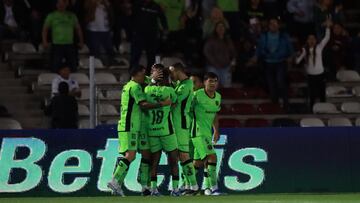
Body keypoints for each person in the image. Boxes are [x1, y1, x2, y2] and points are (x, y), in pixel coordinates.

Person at [107, 66, 171, 196]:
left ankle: (141, 186)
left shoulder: (129, 85)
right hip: (129, 126)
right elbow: (143, 104)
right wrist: (162, 104)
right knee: (131, 155)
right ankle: (114, 180)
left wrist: (152, 79)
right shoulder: (135, 87)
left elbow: (147, 82)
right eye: (142, 74)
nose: (144, 77)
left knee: (141, 153)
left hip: (135, 126)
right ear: (136, 74)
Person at [169, 63, 199, 195]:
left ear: (177, 70)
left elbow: (173, 101)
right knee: (182, 156)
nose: (171, 76)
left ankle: (193, 186)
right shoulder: (180, 85)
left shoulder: (187, 85)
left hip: (181, 124)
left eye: (171, 72)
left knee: (184, 155)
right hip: (177, 124)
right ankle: (188, 184)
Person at [191, 72, 221, 196]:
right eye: (210, 81)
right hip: (198, 132)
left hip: (207, 133)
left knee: (197, 163)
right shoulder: (196, 95)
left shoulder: (218, 97)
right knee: (212, 157)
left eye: (215, 81)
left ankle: (186, 186)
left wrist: (216, 130)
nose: (213, 83)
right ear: (204, 83)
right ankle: (212, 188)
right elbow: (185, 110)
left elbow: (215, 114)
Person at [253, 17, 294, 110]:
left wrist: (291, 57)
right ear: (269, 26)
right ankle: (275, 104)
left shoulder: (284, 36)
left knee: (280, 82)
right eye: (271, 24)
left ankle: (285, 103)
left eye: (275, 23)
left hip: (281, 62)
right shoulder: (264, 36)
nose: (273, 25)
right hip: (268, 63)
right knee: (271, 84)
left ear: (278, 25)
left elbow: (290, 49)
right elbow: (259, 49)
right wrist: (256, 57)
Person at [296, 19, 331, 111]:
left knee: (322, 93)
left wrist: (327, 27)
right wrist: (297, 56)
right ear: (307, 40)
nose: (311, 40)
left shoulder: (319, 47)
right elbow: (297, 61)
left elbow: (327, 38)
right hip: (311, 76)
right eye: (309, 39)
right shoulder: (304, 50)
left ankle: (324, 110)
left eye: (313, 38)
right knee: (312, 94)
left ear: (315, 40)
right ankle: (311, 110)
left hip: (320, 74)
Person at [42, 0, 84, 72]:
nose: (61, 5)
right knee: (55, 67)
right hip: (57, 45)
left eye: (63, 3)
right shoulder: (51, 16)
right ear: (56, 4)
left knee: (73, 67)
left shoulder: (72, 15)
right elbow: (45, 30)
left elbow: (78, 29)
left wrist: (81, 41)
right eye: (59, 3)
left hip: (70, 45)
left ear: (66, 4)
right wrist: (44, 41)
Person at [130, 0, 168, 73]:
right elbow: (131, 16)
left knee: (151, 57)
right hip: (139, 35)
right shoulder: (137, 4)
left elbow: (163, 18)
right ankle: (133, 75)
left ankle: (148, 75)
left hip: (152, 36)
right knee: (135, 56)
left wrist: (165, 29)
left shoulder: (156, 6)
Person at [204, 21, 236, 88]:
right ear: (215, 29)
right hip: (213, 66)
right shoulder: (211, 40)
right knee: (213, 86)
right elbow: (207, 52)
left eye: (222, 27)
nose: (221, 28)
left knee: (227, 87)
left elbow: (233, 53)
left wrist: (233, 63)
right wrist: (215, 63)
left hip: (226, 67)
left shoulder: (228, 40)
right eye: (219, 27)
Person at [83, 0, 115, 64]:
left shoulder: (106, 3)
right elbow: (86, 9)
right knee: (95, 50)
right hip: (93, 30)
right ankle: (95, 66)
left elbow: (111, 15)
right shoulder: (90, 2)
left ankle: (110, 63)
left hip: (105, 30)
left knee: (109, 49)